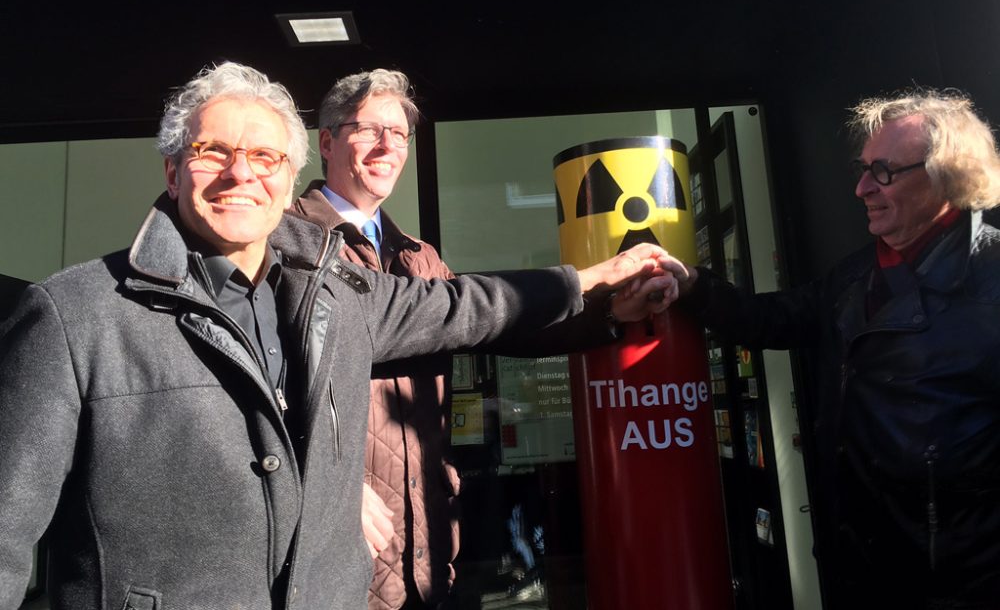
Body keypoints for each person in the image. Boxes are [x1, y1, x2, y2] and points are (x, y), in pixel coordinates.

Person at [0, 61, 685, 610]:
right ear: (174, 169)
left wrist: (599, 300)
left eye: (266, 157)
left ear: (286, 171)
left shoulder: (372, 275)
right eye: (215, 151)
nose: (244, 174)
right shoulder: (72, 314)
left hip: (399, 554)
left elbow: (471, 313)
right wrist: (331, 482)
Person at [292, 69, 634, 609]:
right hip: (334, 545)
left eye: (400, 133)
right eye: (369, 129)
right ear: (327, 141)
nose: (388, 145)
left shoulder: (417, 255)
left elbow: (488, 322)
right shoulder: (289, 243)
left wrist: (611, 313)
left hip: (423, 540)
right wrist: (322, 486)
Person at [678, 90, 1000, 609]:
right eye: (863, 169)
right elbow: (769, 321)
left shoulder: (991, 281)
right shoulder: (856, 274)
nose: (862, 187)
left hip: (958, 583)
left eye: (883, 171)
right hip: (858, 569)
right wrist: (690, 284)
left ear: (948, 174)